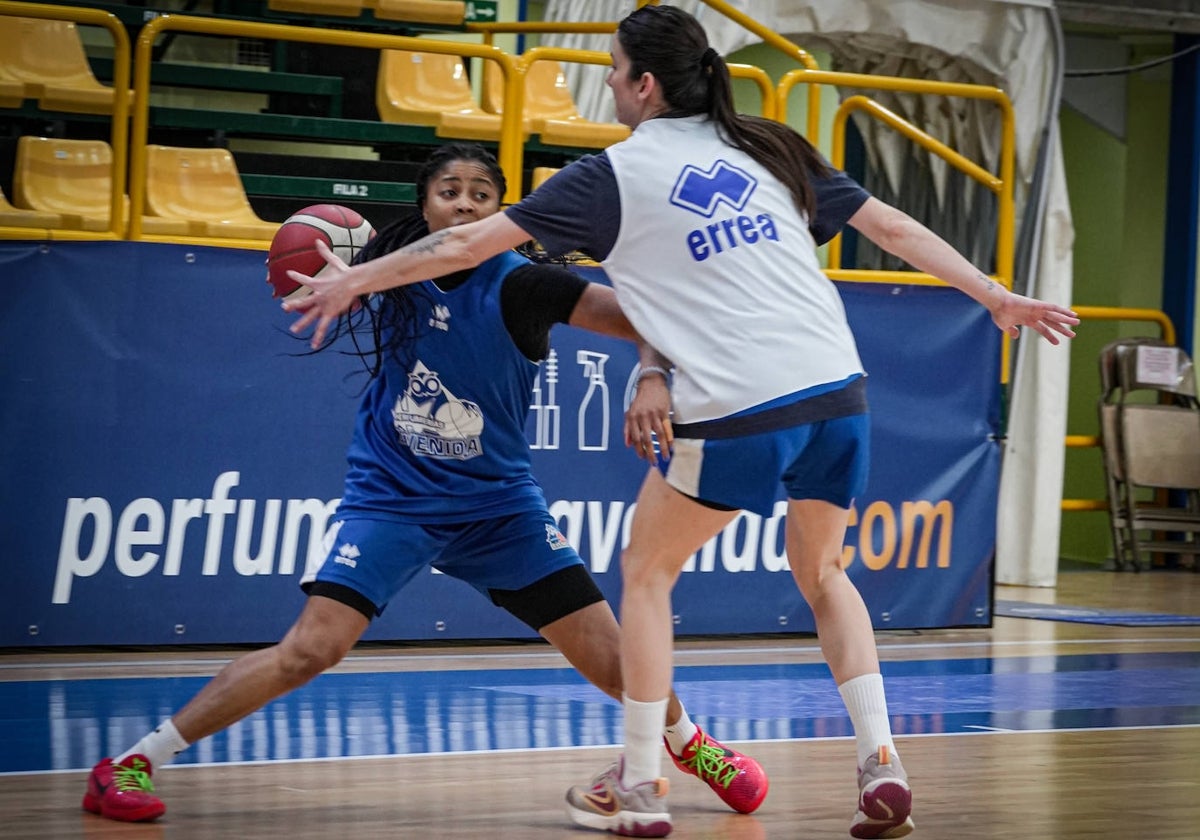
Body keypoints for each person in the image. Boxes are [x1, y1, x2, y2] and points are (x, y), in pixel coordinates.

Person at [283, 6, 1081, 837]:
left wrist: (352, 281)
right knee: (825, 575)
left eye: (615, 66)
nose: (609, 80)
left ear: (645, 85)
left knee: (648, 571)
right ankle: (882, 764)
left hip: (745, 401)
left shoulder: (611, 176)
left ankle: (638, 785)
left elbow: (461, 249)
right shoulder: (770, 144)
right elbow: (891, 227)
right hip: (841, 392)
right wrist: (993, 294)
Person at [80, 143, 768, 824]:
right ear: (426, 204)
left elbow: (647, 320)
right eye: (449, 190)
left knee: (621, 665)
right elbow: (322, 262)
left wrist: (651, 375)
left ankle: (691, 746)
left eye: (480, 193)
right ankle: (131, 764)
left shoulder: (524, 284)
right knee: (311, 649)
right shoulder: (390, 269)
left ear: (502, 210)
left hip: (499, 511)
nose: (464, 202)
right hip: (393, 501)